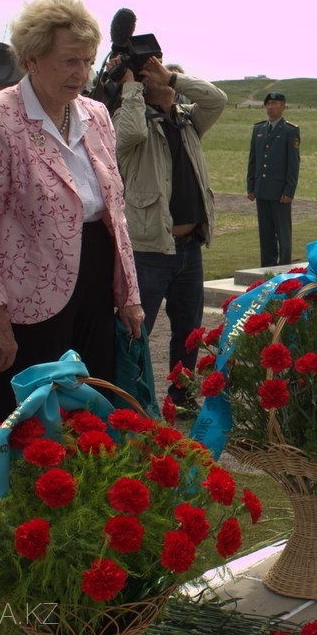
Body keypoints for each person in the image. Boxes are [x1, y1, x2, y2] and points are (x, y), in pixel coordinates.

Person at [0, 0, 143, 422]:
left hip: (96, 282)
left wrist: (129, 295)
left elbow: (115, 214)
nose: (81, 73)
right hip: (26, 298)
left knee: (94, 417)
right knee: (32, 425)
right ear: (32, 59)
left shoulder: (97, 114)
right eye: (69, 61)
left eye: (87, 60)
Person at [112, 55, 227, 416]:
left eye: (165, 73)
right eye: (154, 74)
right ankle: (131, 400)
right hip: (149, 249)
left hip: (189, 248)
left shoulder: (187, 119)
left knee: (188, 329)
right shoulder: (129, 119)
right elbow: (129, 134)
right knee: (136, 329)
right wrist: (131, 87)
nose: (161, 78)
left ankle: (181, 394)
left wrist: (172, 79)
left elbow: (217, 99)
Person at [246, 92, 300, 267]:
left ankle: (284, 268)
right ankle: (267, 268)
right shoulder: (259, 129)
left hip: (279, 192)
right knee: (266, 234)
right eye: (268, 103)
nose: (271, 107)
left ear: (283, 106)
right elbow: (253, 159)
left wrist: (289, 190)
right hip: (262, 189)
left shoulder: (290, 130)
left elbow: (293, 164)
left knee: (283, 234)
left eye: (275, 103)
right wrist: (251, 186)